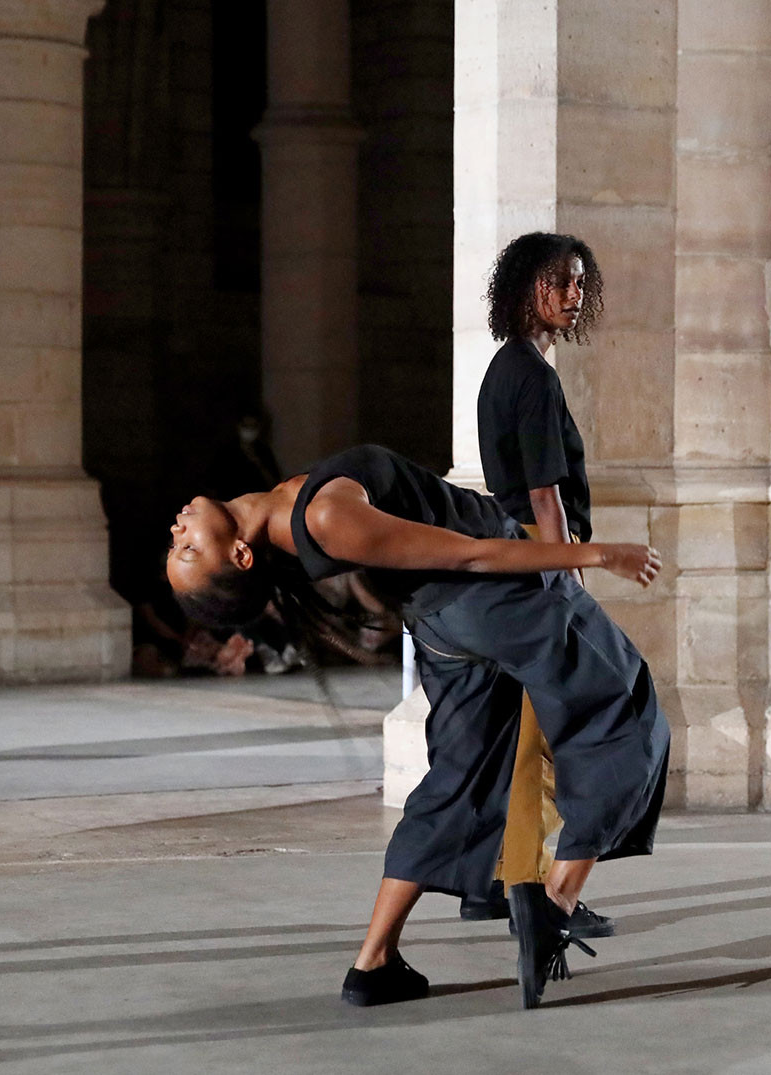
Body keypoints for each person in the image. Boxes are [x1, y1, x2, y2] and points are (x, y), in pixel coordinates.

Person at [166, 444, 669, 1010]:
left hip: (444, 625)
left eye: (177, 544)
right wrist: (598, 555)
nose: (177, 530)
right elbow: (471, 557)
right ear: (240, 555)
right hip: (494, 604)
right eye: (188, 549)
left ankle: (374, 963)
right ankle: (555, 904)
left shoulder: (291, 509)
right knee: (624, 718)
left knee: (460, 778)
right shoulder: (321, 517)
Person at [469, 231, 612, 937]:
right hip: (537, 551)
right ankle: (527, 885)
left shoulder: (507, 368)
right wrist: (567, 575)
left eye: (580, 281)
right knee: (545, 731)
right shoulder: (531, 375)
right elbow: (544, 491)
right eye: (562, 280)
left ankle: (495, 878)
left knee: (520, 728)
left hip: (516, 553)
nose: (574, 293)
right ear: (529, 288)